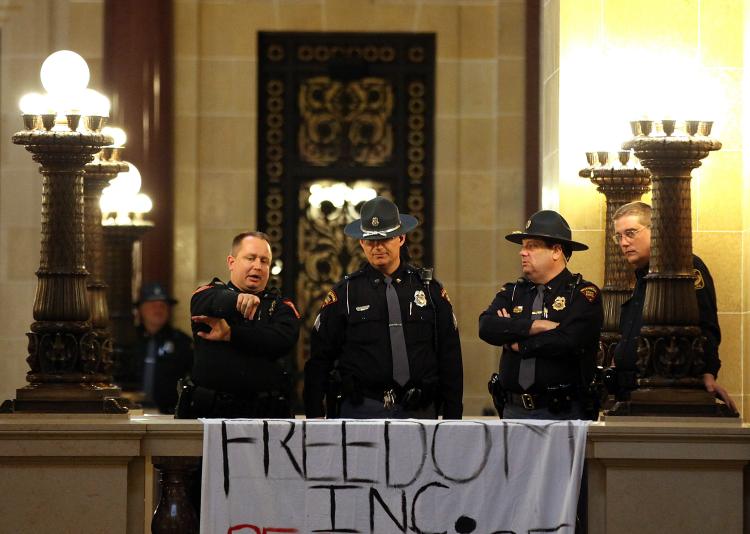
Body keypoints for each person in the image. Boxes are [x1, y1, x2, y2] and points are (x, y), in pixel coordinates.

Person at [303, 196, 463, 419]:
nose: (377, 247)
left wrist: (453, 416)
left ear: (401, 238)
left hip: (419, 408)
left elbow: (450, 356)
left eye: (385, 239)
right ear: (361, 243)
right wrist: (314, 415)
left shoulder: (429, 290)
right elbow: (320, 359)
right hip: (361, 409)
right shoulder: (345, 294)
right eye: (370, 241)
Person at [611, 201, 737, 412]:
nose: (624, 243)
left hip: (663, 389)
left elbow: (706, 323)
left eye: (630, 233)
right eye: (619, 236)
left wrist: (708, 371)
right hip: (632, 389)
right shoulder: (641, 276)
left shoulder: (687, 266)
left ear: (655, 231)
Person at [479, 210, 603, 420]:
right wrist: (533, 327)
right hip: (513, 409)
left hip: (561, 411)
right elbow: (487, 326)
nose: (522, 252)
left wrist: (517, 343)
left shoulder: (582, 294)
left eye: (532, 246)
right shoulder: (513, 292)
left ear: (556, 251)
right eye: (523, 246)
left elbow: (568, 341)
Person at [177, 231, 301, 418]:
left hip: (266, 414)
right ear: (231, 262)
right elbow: (206, 301)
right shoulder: (210, 294)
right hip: (211, 413)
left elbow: (281, 340)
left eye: (264, 261)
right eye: (250, 258)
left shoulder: (281, 306)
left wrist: (231, 334)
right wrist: (235, 300)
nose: (257, 266)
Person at [127, 282, 193, 414]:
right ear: (140, 309)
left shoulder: (181, 342)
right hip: (130, 412)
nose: (158, 309)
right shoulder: (128, 340)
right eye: (152, 305)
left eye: (162, 305)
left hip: (168, 414)